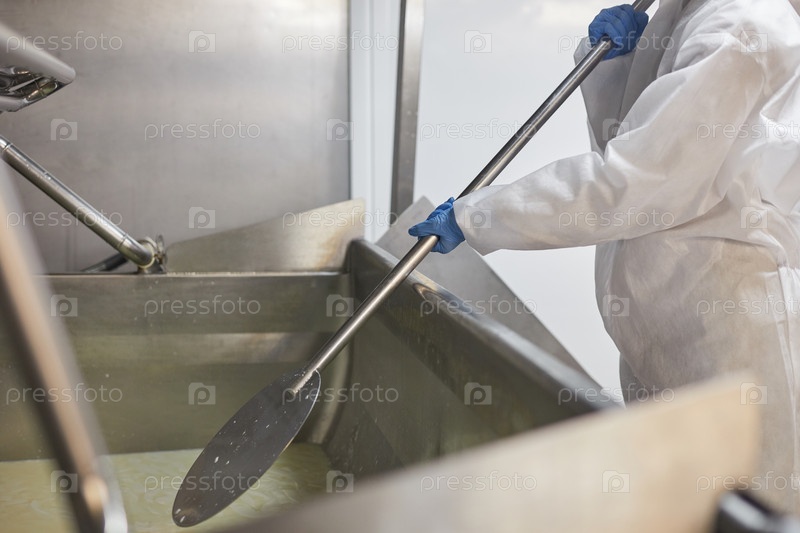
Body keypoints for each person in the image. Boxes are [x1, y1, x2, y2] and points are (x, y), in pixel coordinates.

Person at [410, 0, 800, 513]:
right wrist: (615, 70)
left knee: (753, 507)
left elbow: (637, 183)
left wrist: (480, 214)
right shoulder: (685, 14)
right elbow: (630, 142)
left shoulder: (741, 27)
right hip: (661, 327)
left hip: (725, 332)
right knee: (673, 509)